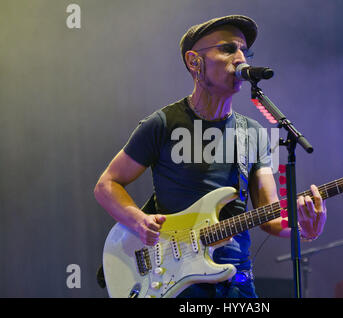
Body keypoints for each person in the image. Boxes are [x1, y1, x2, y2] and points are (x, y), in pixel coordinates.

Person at [94, 15, 327, 298]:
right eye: (229, 49)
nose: (241, 58)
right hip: (176, 282)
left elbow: (270, 216)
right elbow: (107, 185)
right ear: (194, 62)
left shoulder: (254, 133)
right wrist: (137, 220)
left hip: (237, 283)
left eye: (245, 51)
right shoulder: (162, 123)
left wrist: (304, 229)